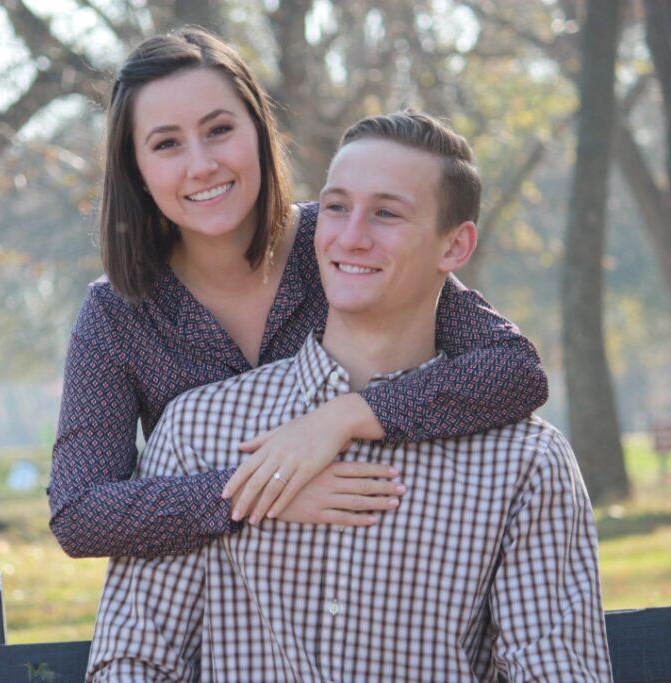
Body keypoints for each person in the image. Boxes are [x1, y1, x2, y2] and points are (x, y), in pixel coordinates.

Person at [86, 110, 611, 682]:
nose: (351, 235)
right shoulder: (200, 430)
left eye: (386, 213)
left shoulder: (524, 462)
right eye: (336, 207)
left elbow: (554, 671)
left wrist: (348, 418)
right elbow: (135, 663)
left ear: (455, 247)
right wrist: (243, 497)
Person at [48, 27, 548, 560]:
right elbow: (81, 513)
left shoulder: (342, 245)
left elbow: (513, 370)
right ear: (138, 171)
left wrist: (346, 416)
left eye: (219, 130)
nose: (201, 164)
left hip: (382, 561)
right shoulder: (119, 312)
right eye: (167, 144)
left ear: (261, 134)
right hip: (218, 606)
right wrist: (260, 492)